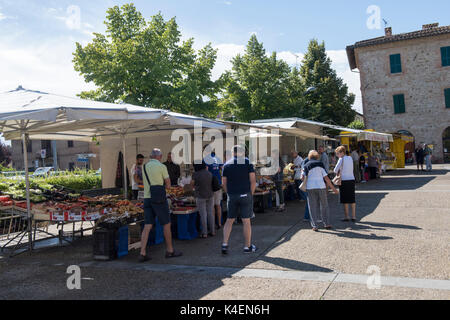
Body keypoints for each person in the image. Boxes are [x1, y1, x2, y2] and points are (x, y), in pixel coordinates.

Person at [139, 149, 182, 262]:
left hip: (147, 198)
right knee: (166, 224)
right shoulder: (162, 167)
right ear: (160, 156)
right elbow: (168, 185)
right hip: (159, 199)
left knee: (147, 225)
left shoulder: (144, 166)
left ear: (151, 156)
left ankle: (142, 252)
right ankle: (170, 250)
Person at [221, 145, 257, 254]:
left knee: (229, 220)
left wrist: (229, 193)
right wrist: (251, 193)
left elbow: (223, 183)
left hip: (232, 195)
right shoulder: (247, 162)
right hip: (245, 194)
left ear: (232, 153)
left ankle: (224, 244)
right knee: (246, 221)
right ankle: (247, 247)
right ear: (243, 152)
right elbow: (253, 181)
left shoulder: (226, 165)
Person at [301, 150, 339, 231]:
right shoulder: (320, 164)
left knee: (312, 206)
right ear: (317, 157)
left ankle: (315, 225)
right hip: (321, 186)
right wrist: (333, 189)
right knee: (324, 205)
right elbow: (326, 178)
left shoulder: (306, 165)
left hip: (310, 187)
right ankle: (326, 223)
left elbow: (302, 177)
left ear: (309, 157)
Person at [191, 162, 215, 238]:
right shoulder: (209, 173)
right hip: (210, 195)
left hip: (200, 196)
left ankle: (204, 233)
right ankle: (212, 231)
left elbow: (192, 184)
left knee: (203, 215)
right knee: (210, 213)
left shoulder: (195, 174)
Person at [334, 146, 357, 222]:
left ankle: (346, 216)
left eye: (337, 153)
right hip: (351, 179)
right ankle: (353, 216)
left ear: (342, 152)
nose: (337, 155)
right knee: (352, 198)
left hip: (344, 180)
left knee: (345, 199)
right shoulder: (350, 158)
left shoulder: (341, 159)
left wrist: (339, 169)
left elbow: (335, 170)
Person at [204, 152, 223, 229]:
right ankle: (219, 223)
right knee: (218, 205)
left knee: (211, 206)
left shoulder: (206, 159)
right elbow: (223, 168)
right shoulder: (217, 158)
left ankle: (212, 225)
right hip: (218, 184)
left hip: (210, 184)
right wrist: (221, 179)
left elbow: (206, 172)